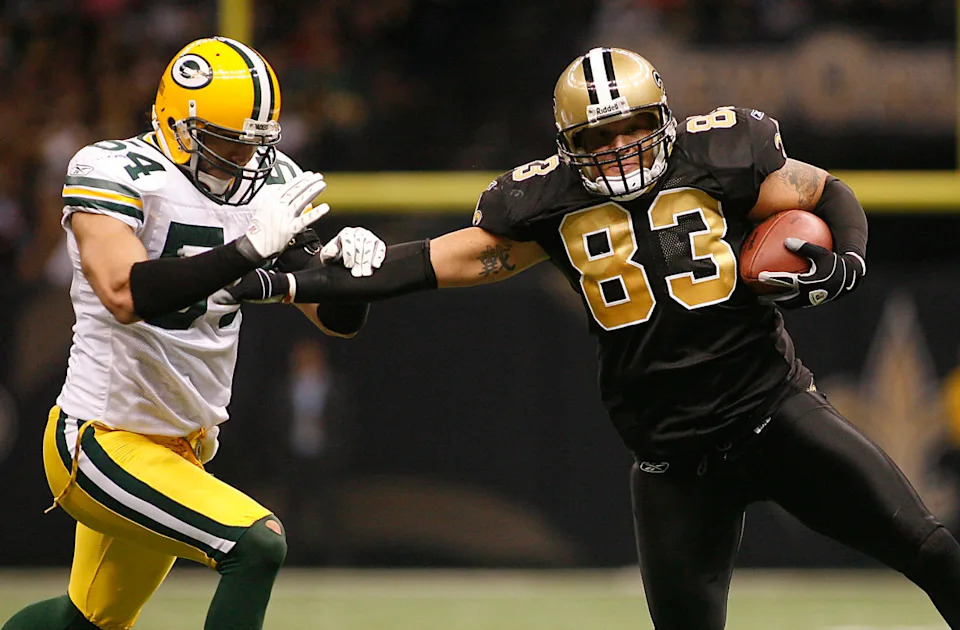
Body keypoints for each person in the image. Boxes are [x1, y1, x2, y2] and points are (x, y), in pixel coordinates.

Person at [220, 47, 960, 629]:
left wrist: (847, 260)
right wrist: (306, 276)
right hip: (671, 459)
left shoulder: (722, 153)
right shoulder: (543, 202)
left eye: (634, 127)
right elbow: (444, 260)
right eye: (598, 136)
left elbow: (825, 190)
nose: (621, 146)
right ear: (567, 144)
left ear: (664, 117)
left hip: (775, 413)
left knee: (929, 549)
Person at [2, 36, 384, 630]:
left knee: (87, 622)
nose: (244, 159)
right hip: (101, 436)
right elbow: (124, 293)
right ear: (177, 122)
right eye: (227, 141)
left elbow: (335, 321)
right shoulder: (112, 169)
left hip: (183, 446)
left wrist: (349, 276)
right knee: (255, 544)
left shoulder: (270, 181)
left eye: (255, 144)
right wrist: (247, 250)